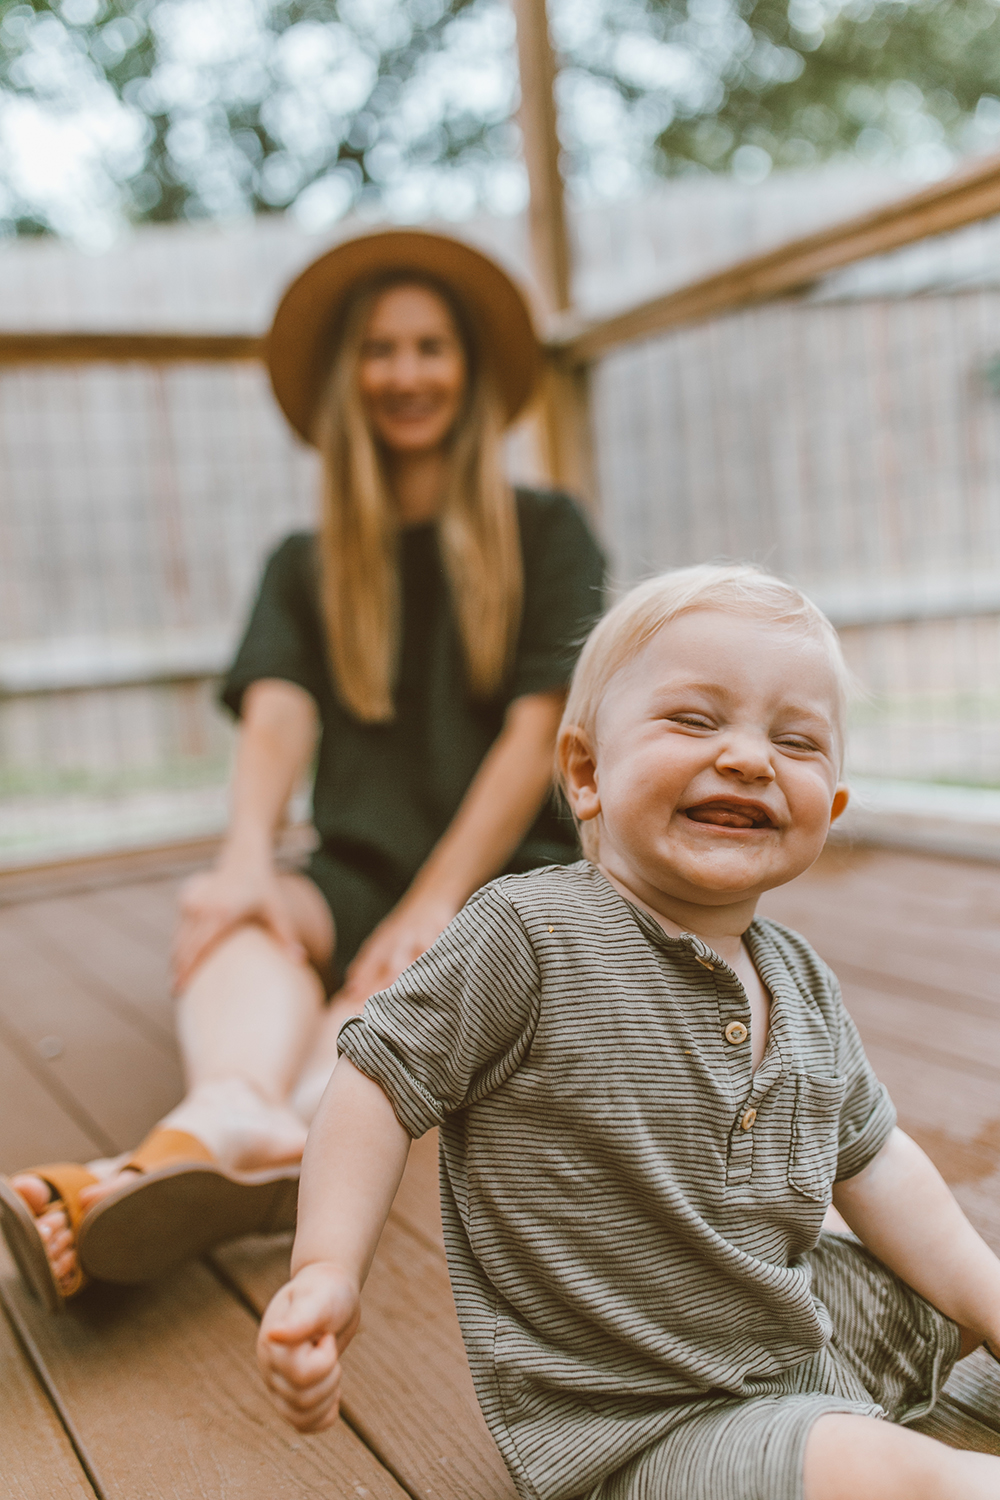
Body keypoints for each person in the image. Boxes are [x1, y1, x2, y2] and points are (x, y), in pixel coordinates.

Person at [258, 563, 1000, 1500]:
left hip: (787, 1330)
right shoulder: (532, 935)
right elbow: (374, 1083)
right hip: (644, 1423)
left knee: (953, 1288)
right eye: (694, 720)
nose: (747, 758)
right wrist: (327, 1267)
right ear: (584, 773)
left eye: (796, 741)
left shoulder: (803, 979)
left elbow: (877, 1162)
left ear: (832, 811)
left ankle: (843, 1420)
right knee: (903, 1477)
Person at [0, 230, 605, 1313]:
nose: (405, 373)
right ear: (346, 378)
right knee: (242, 921)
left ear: (467, 371)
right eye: (379, 350)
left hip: (508, 884)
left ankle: (171, 1163)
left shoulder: (548, 531)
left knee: (396, 985)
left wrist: (435, 904)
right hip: (360, 867)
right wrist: (242, 861)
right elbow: (276, 712)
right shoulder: (308, 558)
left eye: (429, 347)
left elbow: (536, 734)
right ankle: (238, 1116)